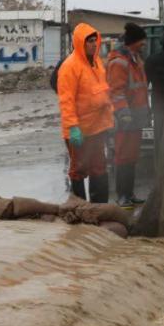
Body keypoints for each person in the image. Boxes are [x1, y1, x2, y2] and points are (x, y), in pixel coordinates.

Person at [57, 23, 114, 203]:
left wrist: (111, 116)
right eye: (89, 41)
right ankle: (79, 208)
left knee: (99, 168)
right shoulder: (70, 66)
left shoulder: (97, 62)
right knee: (79, 170)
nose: (93, 44)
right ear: (80, 42)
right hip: (79, 131)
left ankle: (100, 208)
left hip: (97, 127)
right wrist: (73, 127)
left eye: (94, 40)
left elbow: (104, 92)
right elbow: (67, 101)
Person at [107, 23, 150, 206]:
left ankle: (129, 193)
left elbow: (140, 89)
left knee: (132, 157)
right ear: (133, 42)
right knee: (123, 156)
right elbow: (116, 91)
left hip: (136, 117)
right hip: (125, 118)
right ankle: (122, 195)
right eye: (142, 42)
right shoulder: (120, 62)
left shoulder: (136, 60)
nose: (144, 45)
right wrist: (123, 113)